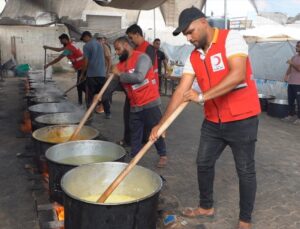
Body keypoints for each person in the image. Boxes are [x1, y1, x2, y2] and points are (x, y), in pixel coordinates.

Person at [150, 7, 261, 229]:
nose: (189, 38)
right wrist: (161, 124)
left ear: (203, 22)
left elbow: (237, 74)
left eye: (191, 32)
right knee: (203, 163)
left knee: (245, 170)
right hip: (213, 121)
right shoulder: (194, 56)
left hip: (242, 119)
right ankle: (206, 206)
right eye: (185, 36)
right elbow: (181, 90)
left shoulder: (232, 39)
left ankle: (245, 221)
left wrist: (201, 96)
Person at [112, 36, 168, 167]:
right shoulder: (121, 64)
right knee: (135, 132)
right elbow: (117, 84)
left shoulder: (142, 58)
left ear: (126, 45)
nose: (117, 52)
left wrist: (119, 74)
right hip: (135, 104)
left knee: (156, 130)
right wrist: (101, 97)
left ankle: (163, 155)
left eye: (118, 49)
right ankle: (135, 157)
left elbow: (139, 77)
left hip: (149, 102)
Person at [126, 24, 159, 142]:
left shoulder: (148, 48)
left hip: (147, 90)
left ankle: (147, 141)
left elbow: (142, 72)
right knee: (132, 116)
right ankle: (132, 140)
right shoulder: (135, 49)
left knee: (149, 118)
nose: (130, 40)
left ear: (137, 34)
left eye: (131, 37)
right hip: (134, 90)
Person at [44, 33, 85, 105]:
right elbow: (59, 50)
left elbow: (58, 58)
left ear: (65, 39)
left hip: (82, 67)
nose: (60, 42)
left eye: (61, 41)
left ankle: (82, 102)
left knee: (80, 85)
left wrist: (48, 64)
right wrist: (48, 47)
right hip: (81, 67)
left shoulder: (68, 48)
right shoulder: (70, 44)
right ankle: (82, 101)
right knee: (81, 84)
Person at [80, 31, 111, 119]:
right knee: (102, 94)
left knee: (89, 95)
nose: (84, 41)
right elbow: (107, 59)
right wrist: (107, 72)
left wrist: (82, 74)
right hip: (101, 73)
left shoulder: (86, 46)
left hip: (92, 74)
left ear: (86, 37)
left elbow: (85, 62)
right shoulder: (101, 44)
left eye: (83, 39)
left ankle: (89, 114)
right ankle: (108, 113)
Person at [282, 41, 300, 124]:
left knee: (299, 101)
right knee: (290, 100)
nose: (297, 47)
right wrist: (286, 75)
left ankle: (299, 118)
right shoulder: (294, 57)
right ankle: (291, 115)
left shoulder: (293, 60)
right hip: (291, 82)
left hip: (298, 84)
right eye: (296, 46)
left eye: (298, 46)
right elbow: (290, 67)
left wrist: (291, 63)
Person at [94, 33, 112, 113]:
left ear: (103, 40)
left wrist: (107, 72)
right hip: (96, 73)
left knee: (103, 92)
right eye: (98, 39)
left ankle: (107, 111)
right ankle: (98, 107)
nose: (99, 41)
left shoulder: (105, 48)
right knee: (97, 92)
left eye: (101, 39)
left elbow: (109, 60)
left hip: (103, 73)